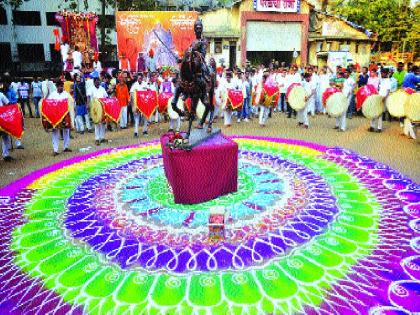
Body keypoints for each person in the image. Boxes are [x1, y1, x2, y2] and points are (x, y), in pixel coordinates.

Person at [47, 80, 72, 156]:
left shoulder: (66, 94)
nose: (61, 87)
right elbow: (48, 104)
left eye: (62, 86)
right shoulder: (52, 95)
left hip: (65, 115)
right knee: (55, 132)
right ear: (56, 87)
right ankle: (55, 150)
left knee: (66, 130)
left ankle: (66, 147)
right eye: (59, 86)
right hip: (56, 116)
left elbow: (71, 102)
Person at [88, 77, 108, 145]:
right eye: (96, 81)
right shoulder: (91, 89)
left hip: (102, 107)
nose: (98, 82)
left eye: (99, 81)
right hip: (95, 108)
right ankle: (97, 139)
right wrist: (88, 105)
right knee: (97, 123)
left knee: (103, 123)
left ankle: (102, 138)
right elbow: (88, 97)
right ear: (94, 82)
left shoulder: (102, 89)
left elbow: (106, 97)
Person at [369, 69, 390, 133]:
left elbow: (388, 91)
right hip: (377, 97)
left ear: (386, 74)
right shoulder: (380, 79)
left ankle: (379, 128)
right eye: (381, 73)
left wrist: (384, 98)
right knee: (373, 112)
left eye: (383, 73)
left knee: (379, 113)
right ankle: (372, 126)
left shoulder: (388, 81)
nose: (382, 74)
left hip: (383, 98)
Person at [130, 73, 149, 138]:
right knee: (137, 119)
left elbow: (149, 92)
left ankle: (145, 130)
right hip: (137, 104)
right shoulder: (134, 85)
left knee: (145, 118)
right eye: (139, 78)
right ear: (137, 78)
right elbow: (131, 94)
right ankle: (136, 132)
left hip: (144, 103)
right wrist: (133, 105)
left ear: (142, 78)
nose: (140, 79)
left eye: (141, 78)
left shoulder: (145, 84)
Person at [0, 87, 12, 161]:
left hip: (1, 118)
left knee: (5, 136)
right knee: (5, 136)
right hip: (1, 119)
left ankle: (6, 155)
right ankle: (5, 155)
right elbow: (8, 104)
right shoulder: (1, 94)